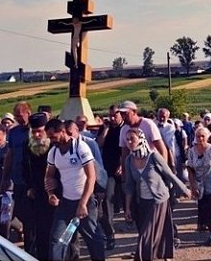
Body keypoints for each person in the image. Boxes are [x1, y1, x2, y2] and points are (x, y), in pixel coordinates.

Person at [124, 128, 190, 260]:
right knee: (153, 231)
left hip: (158, 200)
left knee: (146, 234)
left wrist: (183, 189)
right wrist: (127, 208)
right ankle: (164, 254)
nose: (129, 142)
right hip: (141, 201)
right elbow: (129, 185)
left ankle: (142, 258)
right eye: (127, 139)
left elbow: (169, 174)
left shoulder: (153, 156)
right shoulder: (129, 160)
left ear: (141, 140)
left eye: (132, 139)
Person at [45, 118, 106, 261]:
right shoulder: (53, 152)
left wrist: (83, 203)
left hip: (84, 202)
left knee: (93, 238)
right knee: (57, 240)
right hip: (65, 203)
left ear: (62, 131)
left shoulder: (80, 147)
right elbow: (48, 176)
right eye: (49, 137)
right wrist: (50, 194)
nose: (51, 140)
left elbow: (91, 177)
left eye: (53, 136)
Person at [0, 103, 35, 248]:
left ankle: (30, 248)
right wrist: (4, 178)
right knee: (20, 213)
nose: (18, 119)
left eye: (20, 116)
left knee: (30, 218)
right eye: (16, 117)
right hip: (17, 180)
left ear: (29, 113)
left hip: (32, 182)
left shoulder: (36, 131)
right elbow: (10, 155)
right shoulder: (13, 133)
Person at [21, 114, 55, 259]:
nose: (36, 134)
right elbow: (24, 167)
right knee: (39, 230)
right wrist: (29, 186)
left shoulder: (54, 144)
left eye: (39, 131)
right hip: (37, 194)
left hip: (56, 193)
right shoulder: (28, 145)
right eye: (33, 131)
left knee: (56, 230)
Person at [96, 106, 125, 250]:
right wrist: (106, 129)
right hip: (108, 170)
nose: (113, 118)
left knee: (129, 200)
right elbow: (99, 144)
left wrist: (123, 164)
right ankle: (110, 234)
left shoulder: (125, 128)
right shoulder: (105, 129)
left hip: (124, 168)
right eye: (110, 115)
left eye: (115, 115)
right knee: (107, 199)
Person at [118, 101, 168, 173]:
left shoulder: (148, 124)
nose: (123, 116)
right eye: (121, 114)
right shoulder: (123, 130)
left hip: (151, 166)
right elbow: (124, 154)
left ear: (134, 112)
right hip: (135, 168)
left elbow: (162, 150)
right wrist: (124, 175)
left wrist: (163, 171)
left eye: (126, 113)